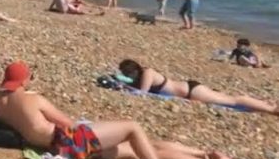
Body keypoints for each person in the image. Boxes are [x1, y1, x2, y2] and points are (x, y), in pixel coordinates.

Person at [0, 62, 217, 159]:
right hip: (66, 141)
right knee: (132, 128)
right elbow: (67, 124)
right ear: (25, 80)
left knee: (125, 152)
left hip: (46, 146)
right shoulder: (34, 99)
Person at [118, 59, 278, 114]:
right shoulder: (140, 76)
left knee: (233, 101)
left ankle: (272, 109)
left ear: (135, 69)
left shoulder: (147, 73)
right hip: (190, 89)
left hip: (191, 91)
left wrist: (125, 88)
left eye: (128, 72)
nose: (128, 75)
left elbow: (142, 93)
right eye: (126, 73)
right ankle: (266, 104)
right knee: (229, 99)